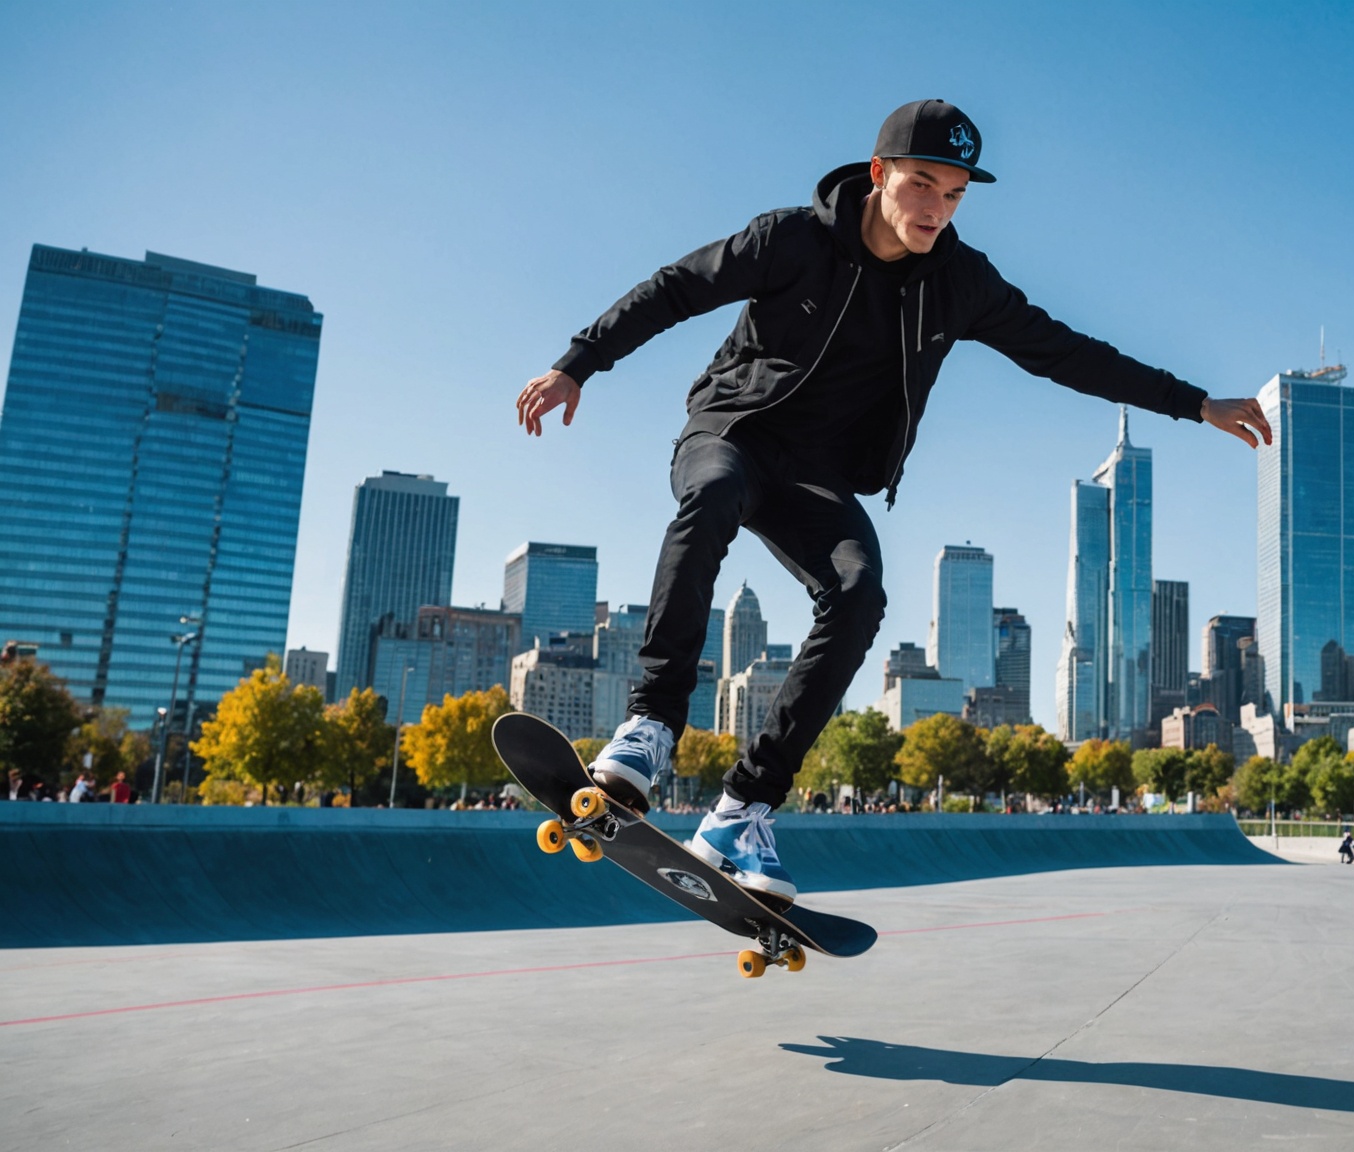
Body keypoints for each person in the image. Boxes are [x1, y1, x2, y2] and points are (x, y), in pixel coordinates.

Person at [518, 101, 1269, 902]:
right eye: (922, 186)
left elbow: (1066, 352)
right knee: (710, 497)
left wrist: (1194, 404)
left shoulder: (960, 283)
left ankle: (743, 808)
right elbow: (677, 289)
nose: (936, 211)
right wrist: (578, 363)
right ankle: (652, 726)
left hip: (816, 477)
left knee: (858, 591)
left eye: (953, 196)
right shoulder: (791, 239)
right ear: (879, 176)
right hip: (733, 430)